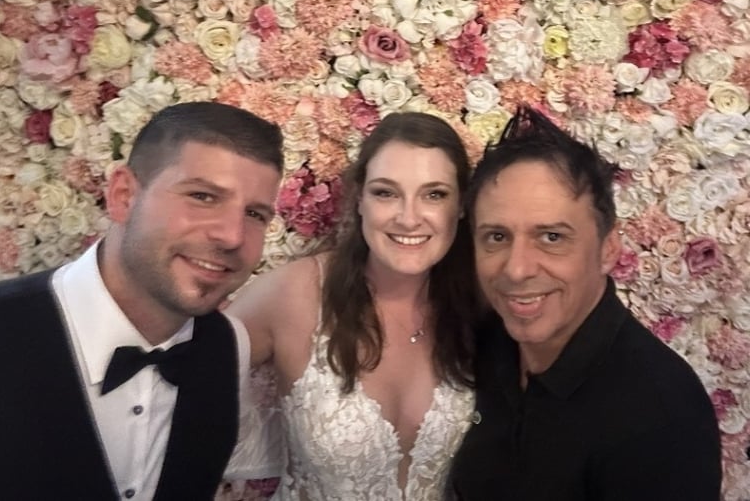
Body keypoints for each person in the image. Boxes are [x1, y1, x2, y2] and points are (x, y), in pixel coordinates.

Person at [0, 101, 284, 501]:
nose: (232, 236)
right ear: (123, 196)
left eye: (255, 214)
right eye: (202, 196)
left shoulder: (229, 343)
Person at [448, 107, 722, 500]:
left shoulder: (662, 416)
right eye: (497, 237)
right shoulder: (491, 342)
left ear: (608, 249)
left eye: (552, 237)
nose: (517, 269)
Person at [226, 112, 479, 500]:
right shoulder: (293, 294)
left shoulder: (477, 307)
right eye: (386, 193)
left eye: (434, 194)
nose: (409, 218)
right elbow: (174, 387)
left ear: (460, 205)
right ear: (360, 199)